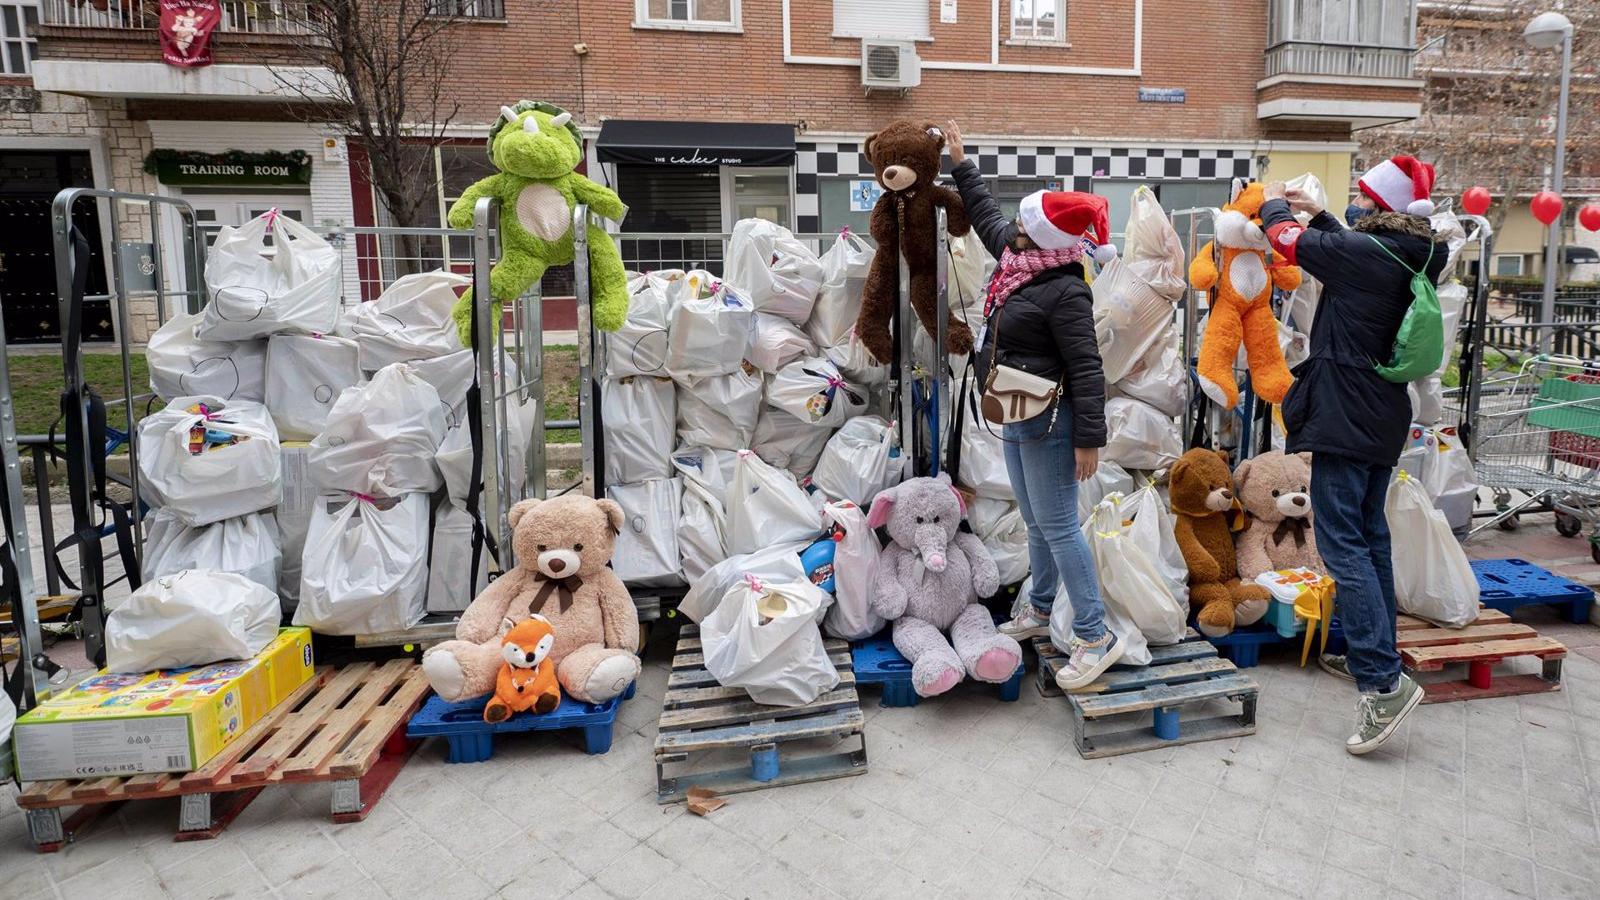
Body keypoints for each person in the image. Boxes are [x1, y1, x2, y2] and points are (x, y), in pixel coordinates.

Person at [1260, 154, 1448, 755]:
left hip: (1345, 414)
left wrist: (1271, 201)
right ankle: (1378, 654)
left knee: (1344, 546)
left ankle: (1382, 684)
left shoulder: (1368, 254)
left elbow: (1285, 240)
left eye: (1364, 198)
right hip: (1380, 414)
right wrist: (1326, 217)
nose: (1357, 204)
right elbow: (1347, 254)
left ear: (1381, 207)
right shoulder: (1410, 251)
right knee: (1370, 539)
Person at [943, 121, 1121, 691]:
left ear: (1044, 238)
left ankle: (1094, 635)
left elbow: (1088, 367)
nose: (1014, 230)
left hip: (1052, 420)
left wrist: (1089, 439)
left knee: (1060, 525)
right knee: (1036, 518)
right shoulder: (1021, 261)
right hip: (1017, 408)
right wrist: (961, 164)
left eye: (1025, 226)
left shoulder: (1065, 289)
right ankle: (1041, 607)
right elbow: (988, 218)